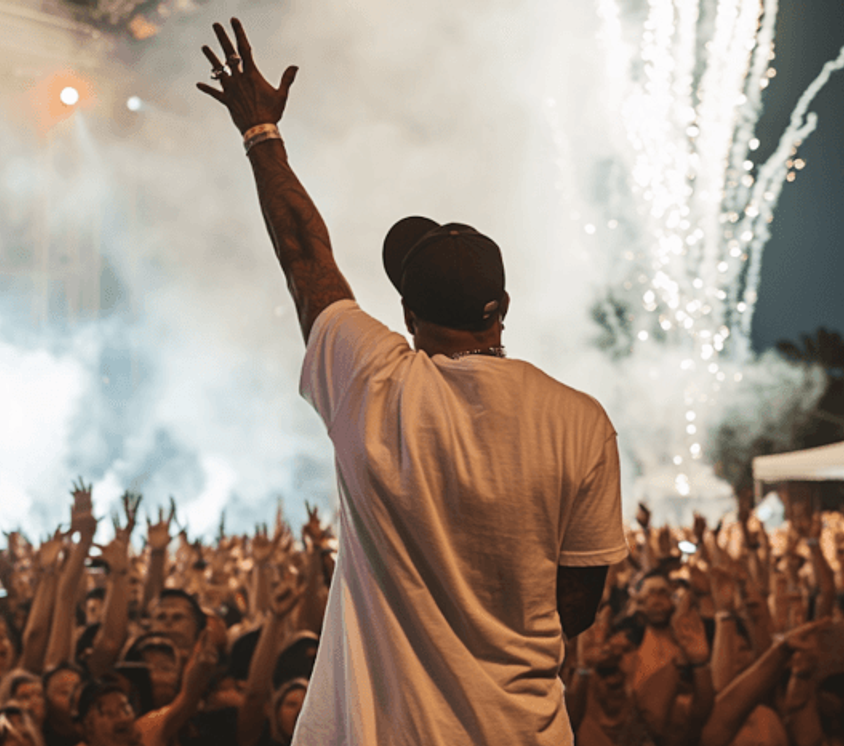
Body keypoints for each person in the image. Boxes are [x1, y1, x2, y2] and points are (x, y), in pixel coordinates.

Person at [195, 18, 628, 745]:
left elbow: (305, 255)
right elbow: (578, 604)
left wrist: (261, 132)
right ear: (503, 310)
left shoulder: (371, 379)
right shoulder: (580, 421)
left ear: (405, 313)